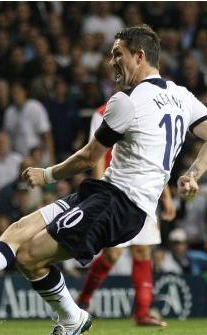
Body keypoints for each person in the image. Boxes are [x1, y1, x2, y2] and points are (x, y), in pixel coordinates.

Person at [0, 25, 207, 335]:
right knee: (18, 231)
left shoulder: (127, 101)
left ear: (139, 56)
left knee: (29, 256)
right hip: (107, 192)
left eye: (118, 54)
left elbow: (87, 157)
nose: (112, 61)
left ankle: (73, 319)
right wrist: (192, 174)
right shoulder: (181, 95)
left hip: (120, 204)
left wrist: (47, 174)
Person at [75, 103, 176, 327]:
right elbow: (97, 155)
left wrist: (166, 196)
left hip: (144, 191)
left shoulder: (148, 109)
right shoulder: (102, 113)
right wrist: (100, 192)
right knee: (112, 255)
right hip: (116, 189)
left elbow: (154, 159)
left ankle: (143, 313)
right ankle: (83, 300)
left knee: (142, 250)